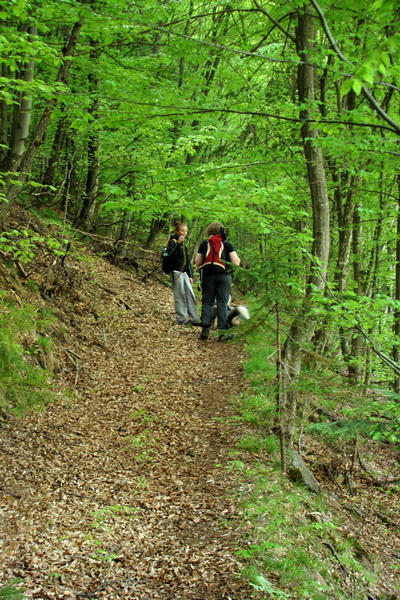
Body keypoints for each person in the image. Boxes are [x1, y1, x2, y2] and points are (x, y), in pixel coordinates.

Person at [195, 222, 240, 341]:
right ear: (222, 232)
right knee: (222, 303)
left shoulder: (205, 244)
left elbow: (197, 262)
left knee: (207, 302)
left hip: (208, 276)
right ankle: (222, 333)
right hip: (224, 276)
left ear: (209, 232)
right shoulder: (226, 244)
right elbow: (236, 262)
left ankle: (205, 329)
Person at [167, 221, 201, 326]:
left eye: (186, 231)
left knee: (190, 294)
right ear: (177, 231)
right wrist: (177, 244)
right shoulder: (172, 242)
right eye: (182, 230)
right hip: (176, 272)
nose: (184, 233)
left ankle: (194, 318)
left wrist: (190, 274)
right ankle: (181, 318)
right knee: (180, 295)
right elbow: (170, 256)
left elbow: (187, 260)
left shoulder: (184, 243)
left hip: (185, 273)